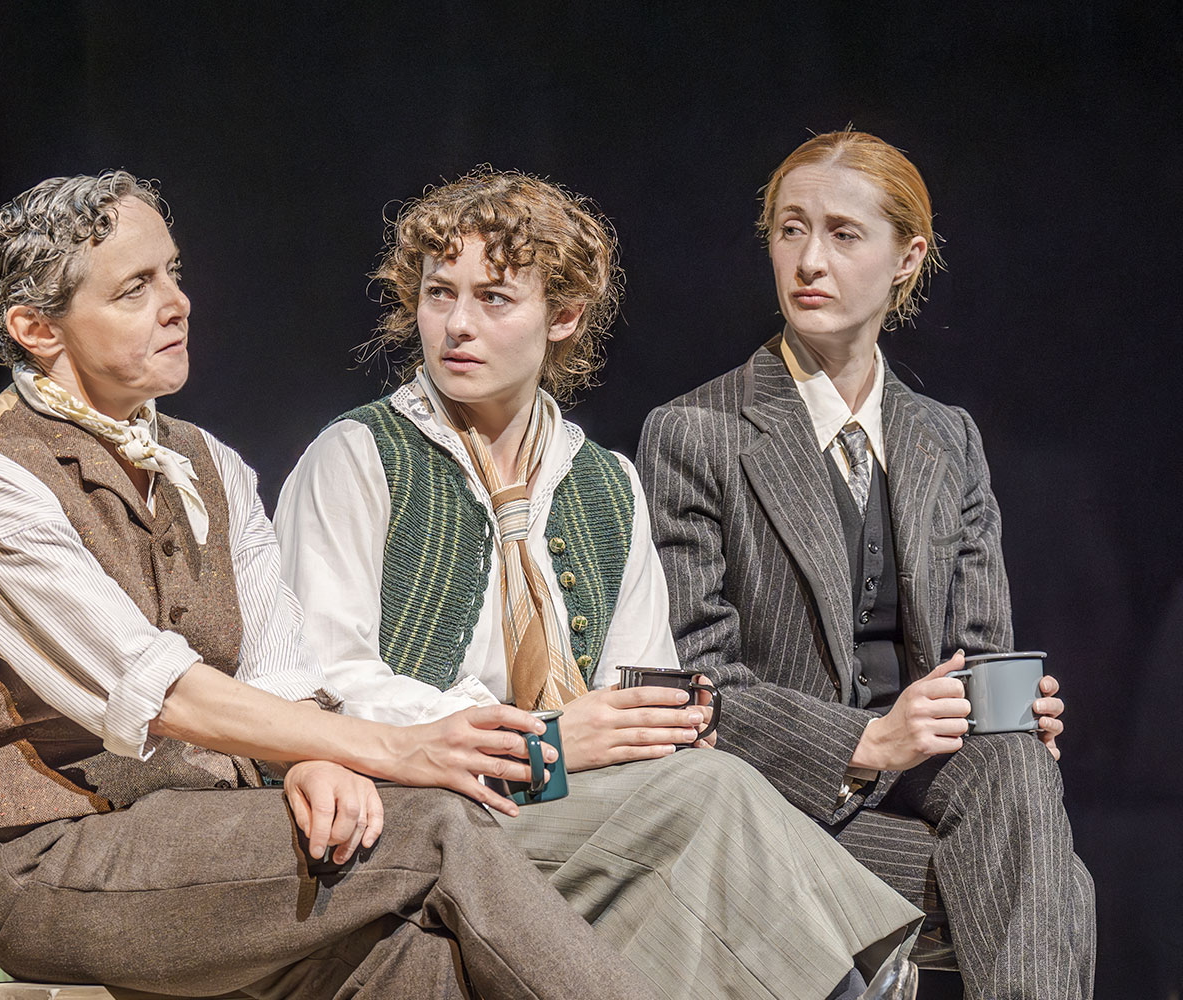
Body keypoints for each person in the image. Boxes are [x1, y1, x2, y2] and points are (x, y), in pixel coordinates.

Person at [0, 169, 660, 998]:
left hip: (217, 831)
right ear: (36, 327)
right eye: (135, 289)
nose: (177, 303)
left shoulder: (210, 464)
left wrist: (306, 759)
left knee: (418, 963)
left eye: (174, 274)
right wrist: (389, 748)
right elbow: (160, 692)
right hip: (61, 857)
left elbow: (280, 671)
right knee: (436, 824)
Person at [275, 168, 923, 1000]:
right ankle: (861, 979)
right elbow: (326, 684)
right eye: (440, 294)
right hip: (424, 803)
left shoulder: (602, 481)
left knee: (710, 793)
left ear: (565, 316)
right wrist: (538, 742)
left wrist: (654, 718)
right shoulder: (360, 457)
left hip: (569, 796)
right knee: (711, 803)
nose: (457, 325)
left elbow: (630, 680)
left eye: (495, 298)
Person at [638, 130, 1096, 998]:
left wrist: (1017, 712)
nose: (810, 261)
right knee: (1055, 892)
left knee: (1016, 765)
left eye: (844, 235)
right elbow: (694, 682)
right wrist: (869, 741)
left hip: (939, 790)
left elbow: (978, 654)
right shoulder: (697, 433)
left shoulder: (946, 437)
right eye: (789, 230)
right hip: (781, 804)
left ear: (905, 259)